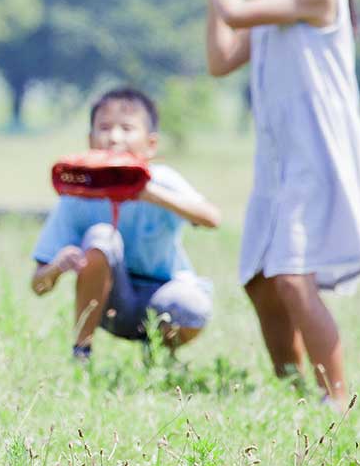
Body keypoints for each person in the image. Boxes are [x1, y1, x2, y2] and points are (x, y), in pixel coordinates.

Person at [201, 0, 360, 406]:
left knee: (293, 278)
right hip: (278, 160)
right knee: (261, 278)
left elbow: (236, 17)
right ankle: (294, 392)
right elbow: (221, 57)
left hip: (318, 155)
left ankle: (338, 402)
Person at [30, 87, 220, 361]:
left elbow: (211, 218)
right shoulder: (77, 194)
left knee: (190, 306)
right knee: (101, 236)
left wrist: (149, 193)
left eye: (127, 128)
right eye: (104, 127)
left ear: (150, 144)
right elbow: (38, 286)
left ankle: (157, 356)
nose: (114, 137)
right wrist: (57, 267)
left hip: (162, 296)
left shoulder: (162, 180)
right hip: (109, 302)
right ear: (90, 140)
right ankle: (82, 353)